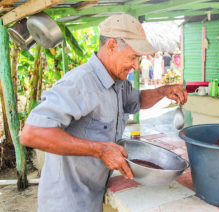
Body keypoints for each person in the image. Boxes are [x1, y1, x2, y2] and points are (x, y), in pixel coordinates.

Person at [20, 14, 187, 212]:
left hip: (93, 194)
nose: (136, 66)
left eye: (138, 59)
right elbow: (32, 133)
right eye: (133, 57)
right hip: (66, 202)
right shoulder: (80, 82)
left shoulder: (118, 82)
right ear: (111, 47)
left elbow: (137, 100)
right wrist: (100, 150)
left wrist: (162, 91)